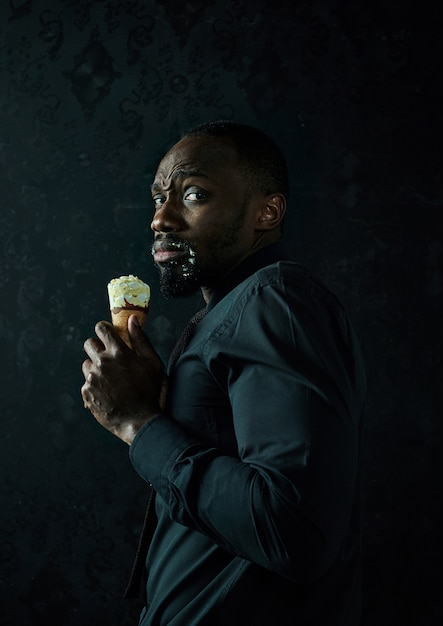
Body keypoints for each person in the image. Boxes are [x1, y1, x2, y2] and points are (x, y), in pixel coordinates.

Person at [81, 120, 367, 625]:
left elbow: (293, 531)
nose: (160, 219)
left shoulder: (275, 300)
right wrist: (162, 402)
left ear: (267, 211)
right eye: (157, 199)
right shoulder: (229, 313)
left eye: (193, 194)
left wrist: (138, 424)